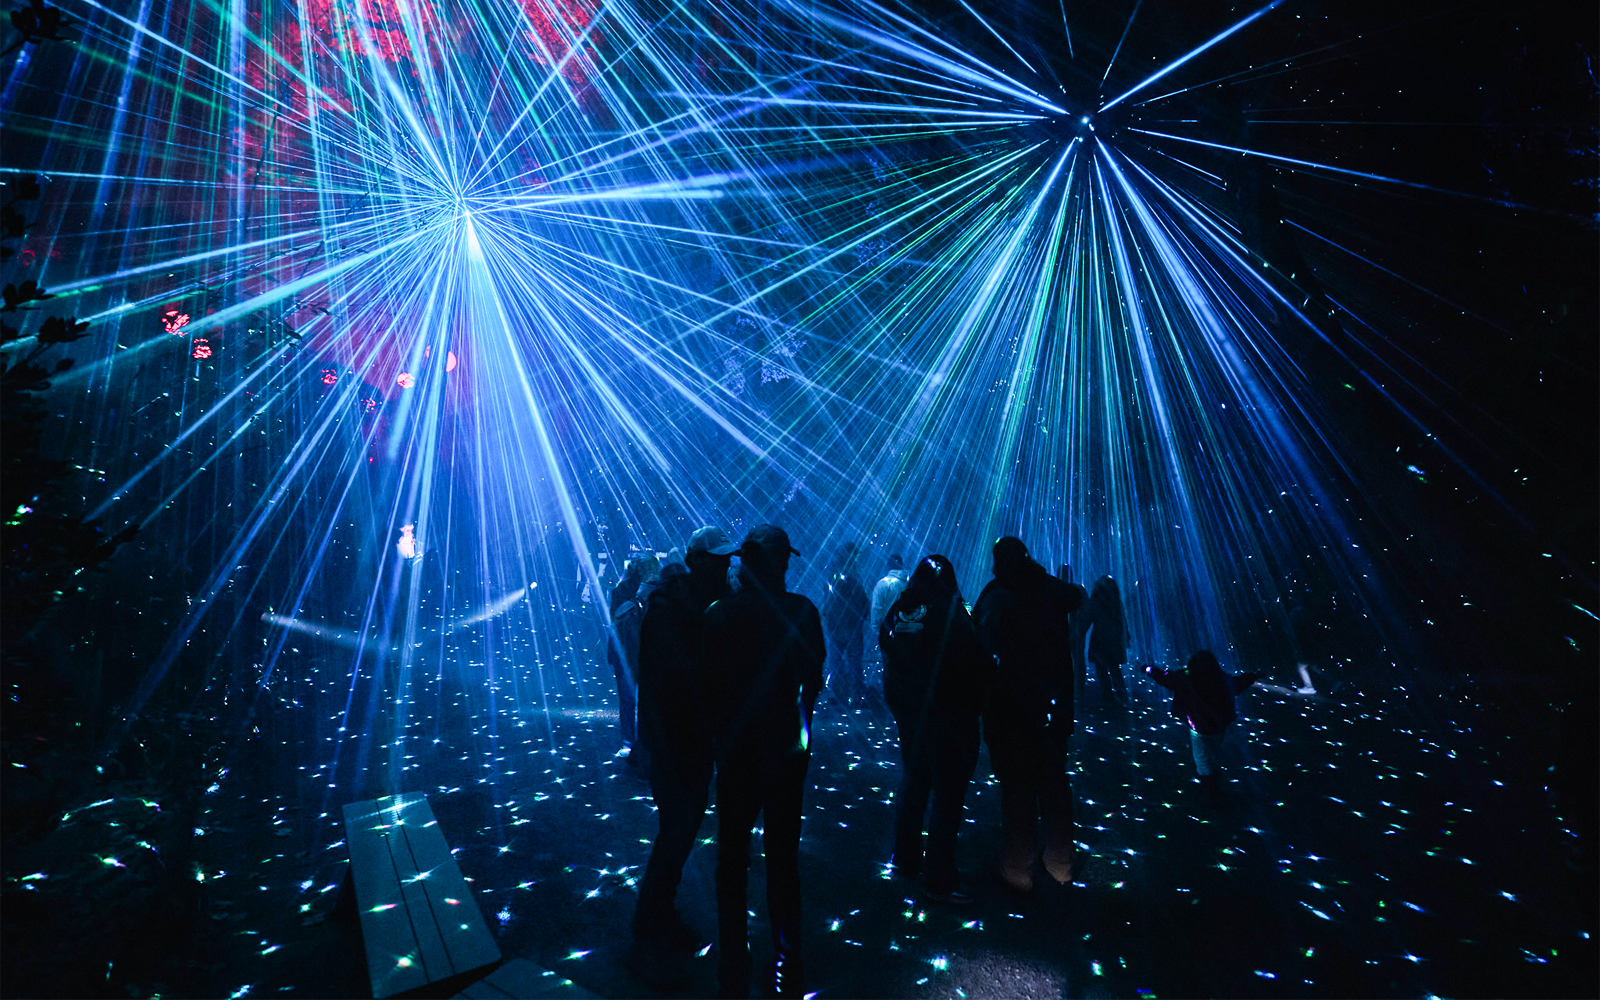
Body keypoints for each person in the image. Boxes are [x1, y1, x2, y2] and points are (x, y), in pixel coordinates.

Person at [703, 525, 825, 998]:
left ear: (744, 561)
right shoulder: (801, 611)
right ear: (779, 563)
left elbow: (705, 689)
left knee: (731, 860)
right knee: (782, 859)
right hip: (784, 755)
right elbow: (814, 677)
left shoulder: (718, 614)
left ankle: (733, 964)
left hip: (736, 755)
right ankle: (787, 965)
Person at [629, 527, 738, 987]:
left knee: (680, 827)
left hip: (684, 740)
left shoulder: (690, 605)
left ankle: (656, 913)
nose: (726, 567)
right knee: (677, 829)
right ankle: (653, 918)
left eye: (726, 560)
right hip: (673, 742)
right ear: (696, 562)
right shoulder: (671, 609)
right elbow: (679, 680)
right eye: (717, 560)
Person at [972, 536, 1082, 892]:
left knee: (1018, 788)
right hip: (1052, 707)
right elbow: (1076, 597)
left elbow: (978, 645)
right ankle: (1060, 862)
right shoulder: (1049, 590)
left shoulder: (995, 595)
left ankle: (1018, 868)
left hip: (1010, 712)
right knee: (1053, 782)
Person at [879, 555, 990, 902]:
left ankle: (905, 859)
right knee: (948, 793)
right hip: (948, 715)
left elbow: (886, 646)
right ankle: (939, 877)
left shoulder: (900, 607)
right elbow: (974, 657)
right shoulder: (952, 609)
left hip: (910, 713)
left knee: (914, 782)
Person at [1145, 652, 1260, 807]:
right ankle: (1215, 780)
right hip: (1219, 726)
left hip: (1198, 727)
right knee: (1213, 749)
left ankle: (1209, 792)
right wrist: (1255, 675)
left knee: (1201, 760)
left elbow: (1164, 676)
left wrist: (1147, 668)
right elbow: (1241, 682)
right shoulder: (1224, 680)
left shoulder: (1184, 679)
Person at [609, 553, 660, 760]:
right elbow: (618, 618)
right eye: (646, 567)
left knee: (636, 699)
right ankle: (631, 742)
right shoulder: (623, 590)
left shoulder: (657, 588)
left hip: (641, 650)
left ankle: (635, 743)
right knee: (630, 699)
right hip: (629, 650)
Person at [821, 543, 869, 706]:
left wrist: (828, 618)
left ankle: (839, 695)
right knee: (852, 662)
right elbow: (860, 599)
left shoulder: (832, 572)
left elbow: (828, 599)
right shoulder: (851, 574)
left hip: (837, 625)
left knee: (837, 661)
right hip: (849, 626)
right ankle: (854, 696)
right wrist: (862, 616)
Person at [1084, 575, 1128, 705]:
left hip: (1100, 639)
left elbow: (1088, 619)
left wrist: (1079, 633)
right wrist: (1126, 636)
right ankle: (1121, 696)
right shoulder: (1116, 602)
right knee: (1114, 668)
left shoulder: (1096, 601)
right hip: (1112, 640)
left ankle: (1108, 696)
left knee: (1102, 669)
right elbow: (1122, 621)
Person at [1056, 564, 1088, 702]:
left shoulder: (1055, 588)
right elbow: (1088, 610)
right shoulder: (1078, 589)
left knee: (1068, 661)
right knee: (1076, 661)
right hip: (1069, 632)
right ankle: (1076, 690)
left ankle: (1071, 690)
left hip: (1064, 632)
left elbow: (1087, 610)